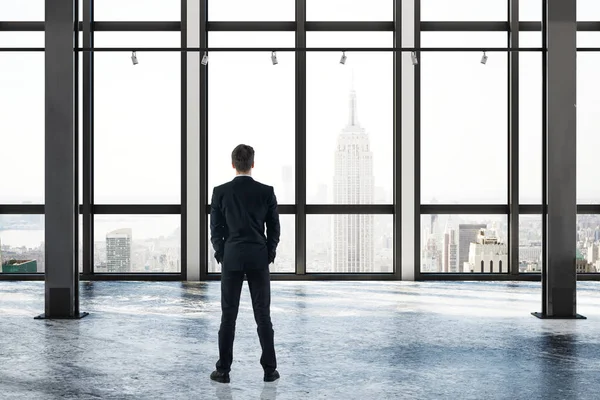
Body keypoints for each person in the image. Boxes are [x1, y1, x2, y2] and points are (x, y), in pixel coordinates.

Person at [209, 144, 281, 384]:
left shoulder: (220, 192)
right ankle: (270, 371)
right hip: (258, 257)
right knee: (263, 315)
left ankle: (223, 371)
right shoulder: (266, 192)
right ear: (252, 164)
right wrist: (268, 253)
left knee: (228, 316)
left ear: (233, 164)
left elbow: (215, 229)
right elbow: (274, 229)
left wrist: (221, 253)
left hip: (231, 258)